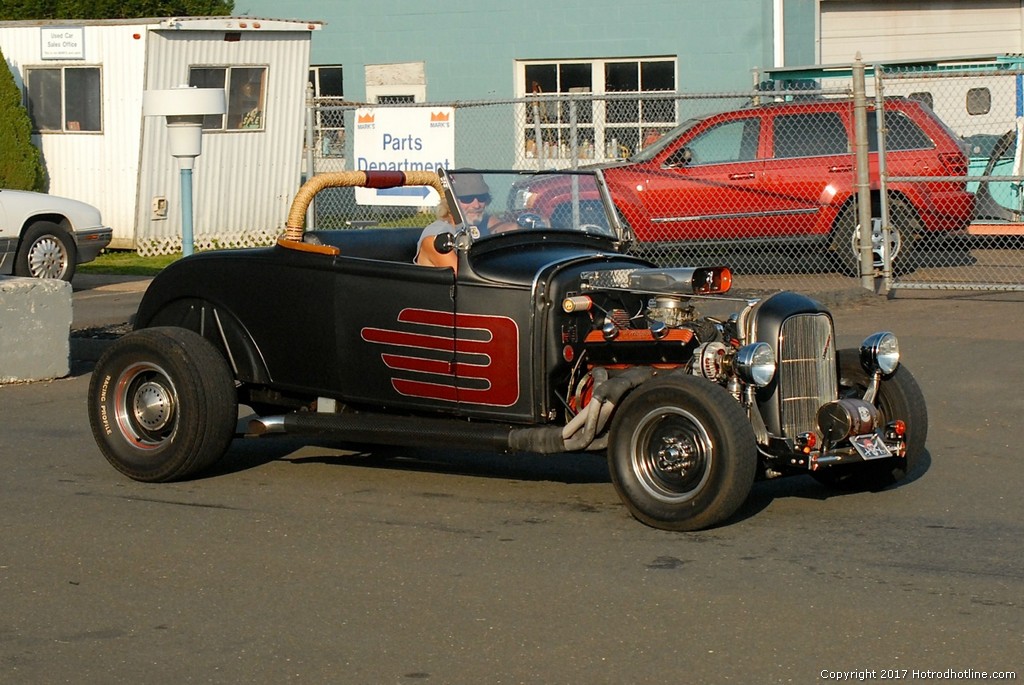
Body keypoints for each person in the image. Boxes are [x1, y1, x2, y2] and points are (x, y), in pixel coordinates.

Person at [414, 172, 503, 270]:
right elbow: (462, 274)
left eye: (481, 198)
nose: (476, 205)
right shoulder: (437, 238)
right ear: (451, 202)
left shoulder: (479, 225)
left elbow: (505, 227)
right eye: (467, 199)